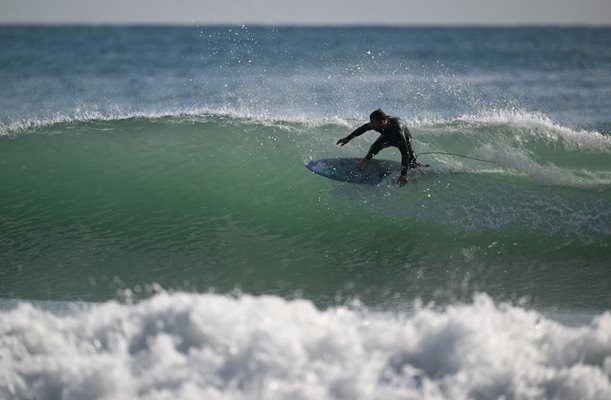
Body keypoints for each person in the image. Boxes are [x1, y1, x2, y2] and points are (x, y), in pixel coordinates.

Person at [336, 109, 418, 187]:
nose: (371, 124)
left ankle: (415, 166)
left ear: (382, 122)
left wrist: (403, 174)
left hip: (403, 139)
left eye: (373, 122)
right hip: (387, 137)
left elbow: (404, 153)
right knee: (375, 146)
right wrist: (347, 138)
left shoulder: (397, 130)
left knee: (410, 160)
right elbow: (363, 128)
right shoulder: (377, 124)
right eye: (371, 121)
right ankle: (365, 161)